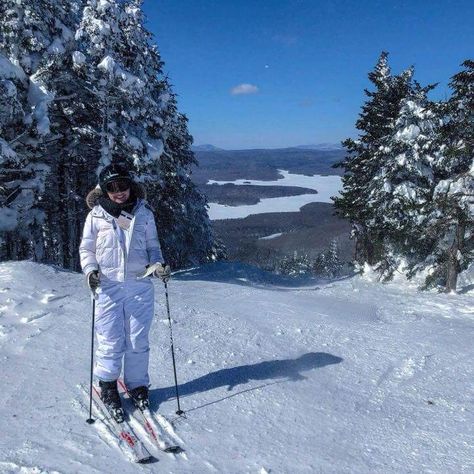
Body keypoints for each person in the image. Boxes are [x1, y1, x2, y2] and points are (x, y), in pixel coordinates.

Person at [79, 163, 171, 420]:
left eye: (123, 185)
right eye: (112, 187)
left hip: (139, 284)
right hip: (107, 286)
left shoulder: (144, 214)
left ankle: (137, 385)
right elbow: (86, 249)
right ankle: (107, 385)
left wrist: (159, 265)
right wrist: (90, 271)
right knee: (110, 338)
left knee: (137, 339)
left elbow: (153, 246)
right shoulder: (96, 216)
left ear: (131, 185)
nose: (119, 192)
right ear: (104, 189)